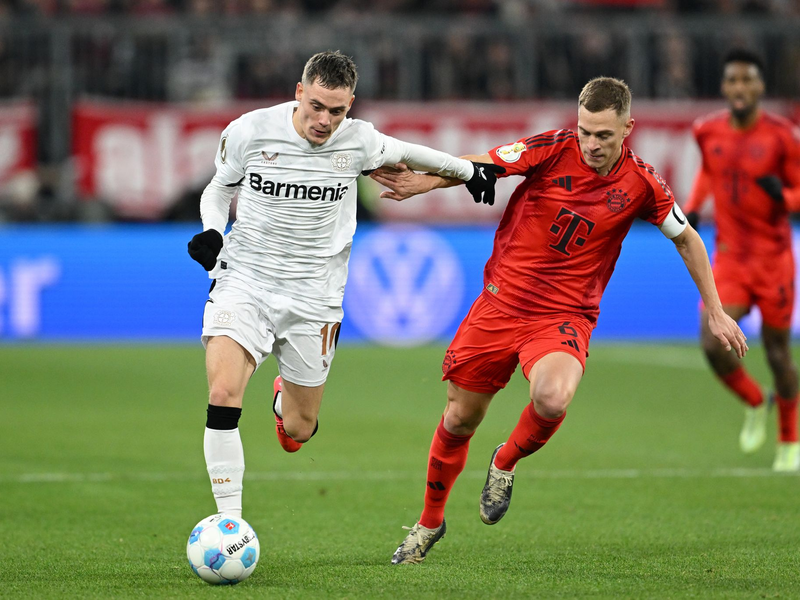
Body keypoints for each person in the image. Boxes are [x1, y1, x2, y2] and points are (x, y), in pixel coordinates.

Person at [370, 76, 749, 565]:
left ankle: (505, 460)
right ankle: (429, 523)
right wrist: (425, 182)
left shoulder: (642, 183)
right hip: (501, 304)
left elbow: (687, 238)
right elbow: (480, 167)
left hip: (564, 314)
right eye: (585, 131)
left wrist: (715, 310)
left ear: (628, 129)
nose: (591, 144)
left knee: (552, 396)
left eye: (604, 136)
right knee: (460, 418)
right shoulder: (550, 147)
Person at [187, 50, 502, 519]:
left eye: (337, 110)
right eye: (316, 105)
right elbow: (219, 187)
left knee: (300, 427)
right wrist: (214, 231)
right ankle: (229, 524)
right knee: (223, 393)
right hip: (245, 279)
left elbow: (410, 152)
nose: (324, 119)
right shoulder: (250, 130)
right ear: (299, 92)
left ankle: (283, 403)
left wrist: (468, 170)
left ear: (350, 104)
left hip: (315, 297)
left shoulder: (358, 141)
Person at [684, 48, 800, 472]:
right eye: (732, 80)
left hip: (773, 260)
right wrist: (694, 207)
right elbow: (709, 172)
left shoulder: (783, 136)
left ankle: (790, 440)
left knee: (777, 354)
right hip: (730, 255)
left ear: (760, 86)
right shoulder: (707, 130)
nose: (739, 88)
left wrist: (784, 197)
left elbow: (799, 191)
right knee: (711, 341)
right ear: (724, 86)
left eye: (747, 80)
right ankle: (756, 401)